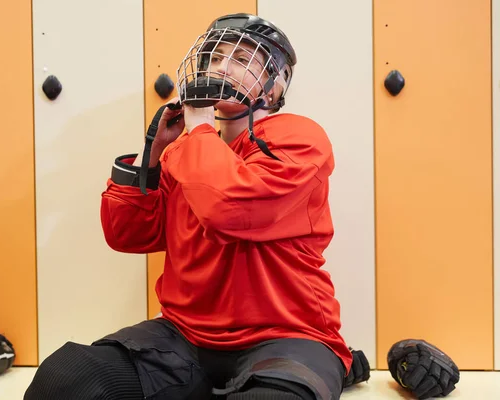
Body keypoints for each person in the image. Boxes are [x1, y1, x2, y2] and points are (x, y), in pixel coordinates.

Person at [24, 13, 353, 400]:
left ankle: (335, 365)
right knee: (65, 380)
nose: (222, 67)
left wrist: (197, 132)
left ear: (274, 86)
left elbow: (228, 208)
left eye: (241, 58)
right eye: (215, 58)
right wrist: (153, 153)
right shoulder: (185, 149)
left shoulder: (300, 137)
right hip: (185, 334)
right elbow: (129, 235)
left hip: (286, 334)